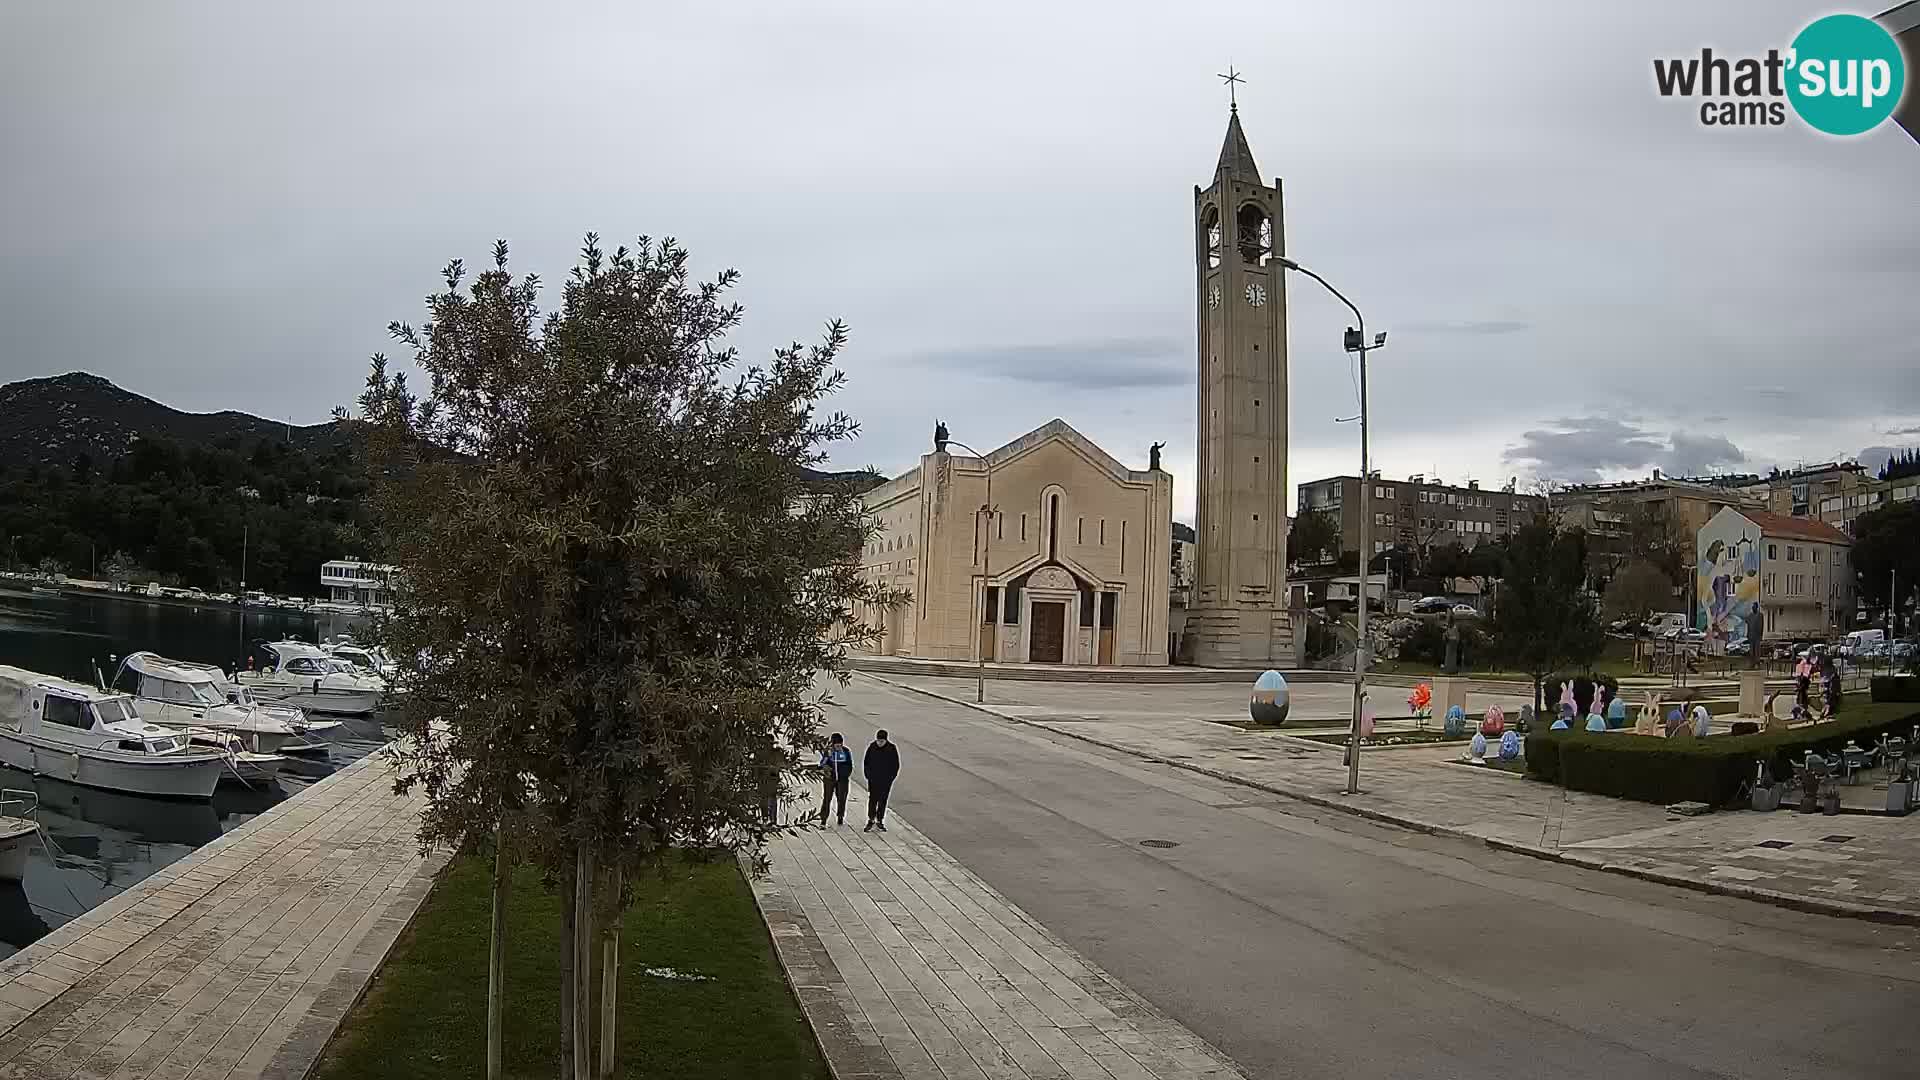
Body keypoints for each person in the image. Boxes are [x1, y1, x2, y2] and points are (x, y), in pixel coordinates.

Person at [863, 729, 900, 832]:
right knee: (873, 799)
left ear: (886, 740)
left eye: (882, 741)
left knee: (883, 800)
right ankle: (871, 819)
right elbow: (866, 762)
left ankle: (880, 820)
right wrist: (868, 775)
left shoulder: (892, 748)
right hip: (873, 780)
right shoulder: (872, 747)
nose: (879, 743)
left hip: (885, 781)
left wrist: (891, 778)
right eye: (878, 741)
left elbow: (895, 765)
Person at [817, 733, 853, 827]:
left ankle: (840, 816)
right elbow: (821, 765)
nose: (838, 747)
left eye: (840, 745)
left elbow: (849, 765)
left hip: (842, 780)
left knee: (842, 798)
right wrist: (827, 758)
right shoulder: (828, 752)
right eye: (836, 745)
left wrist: (844, 775)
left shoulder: (845, 751)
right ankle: (823, 819)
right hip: (830, 779)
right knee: (827, 799)